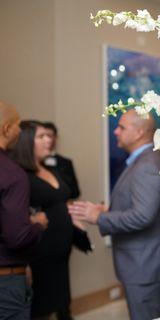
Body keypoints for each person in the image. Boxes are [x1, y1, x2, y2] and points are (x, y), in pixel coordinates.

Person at [69, 110, 160, 320]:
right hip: (142, 262)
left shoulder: (147, 165)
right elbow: (142, 208)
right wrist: (108, 211)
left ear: (139, 133)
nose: (115, 132)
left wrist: (98, 218)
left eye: (121, 127)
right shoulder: (143, 161)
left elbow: (143, 216)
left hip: (144, 264)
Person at [10, 120, 90, 319]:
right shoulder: (21, 175)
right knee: (39, 308)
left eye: (49, 135)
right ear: (27, 142)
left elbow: (60, 201)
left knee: (59, 303)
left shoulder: (51, 170)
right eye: (41, 136)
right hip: (38, 253)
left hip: (60, 253)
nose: (49, 140)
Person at [0, 103, 47, 319]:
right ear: (7, 129)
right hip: (5, 283)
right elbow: (17, 238)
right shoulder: (12, 173)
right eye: (18, 125)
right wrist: (37, 224)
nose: (20, 131)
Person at [42, 122, 80, 199]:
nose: (46, 140)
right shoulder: (33, 162)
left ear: (55, 138)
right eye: (42, 136)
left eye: (49, 136)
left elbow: (76, 192)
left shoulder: (65, 163)